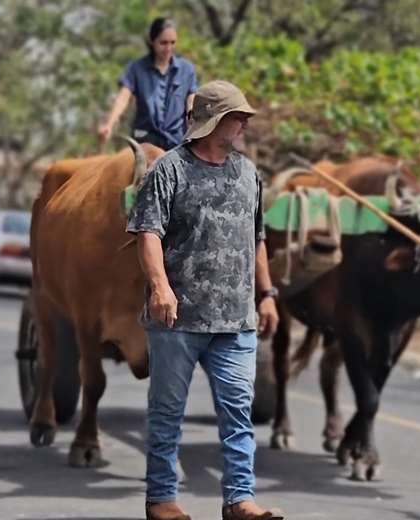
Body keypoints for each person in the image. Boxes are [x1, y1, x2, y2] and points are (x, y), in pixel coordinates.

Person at [126, 80, 284, 520]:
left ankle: (240, 500)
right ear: (214, 120)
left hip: (236, 321)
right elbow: (148, 233)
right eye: (238, 117)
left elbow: (258, 239)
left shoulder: (249, 173)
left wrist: (267, 294)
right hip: (177, 319)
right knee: (167, 413)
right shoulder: (170, 170)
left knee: (238, 415)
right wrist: (160, 287)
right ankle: (161, 500)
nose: (245, 124)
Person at [98, 17, 198, 151]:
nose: (168, 48)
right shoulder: (136, 68)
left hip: (176, 143)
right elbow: (123, 99)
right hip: (145, 143)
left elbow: (191, 103)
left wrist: (195, 128)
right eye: (163, 43)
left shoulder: (187, 70)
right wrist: (109, 125)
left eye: (172, 42)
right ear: (152, 41)